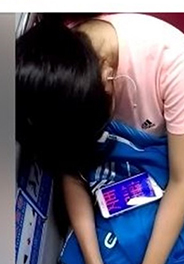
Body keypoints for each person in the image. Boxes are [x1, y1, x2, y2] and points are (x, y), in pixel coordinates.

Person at [17, 13, 184, 264]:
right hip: (106, 189)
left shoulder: (173, 65)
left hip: (167, 174)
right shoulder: (56, 67)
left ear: (108, 80)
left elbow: (181, 182)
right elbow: (71, 172)